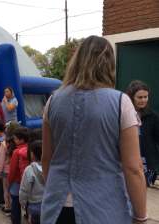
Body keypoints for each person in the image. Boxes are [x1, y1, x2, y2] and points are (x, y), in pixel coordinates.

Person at [42, 36, 147, 224]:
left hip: (56, 209)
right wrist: (140, 216)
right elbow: (133, 168)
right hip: (103, 209)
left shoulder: (53, 101)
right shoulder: (121, 102)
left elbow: (46, 159)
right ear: (109, 64)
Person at [126, 80, 159, 187]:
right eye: (140, 97)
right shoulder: (123, 115)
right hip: (128, 162)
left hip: (147, 165)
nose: (143, 100)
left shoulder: (153, 117)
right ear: (131, 97)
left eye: (146, 97)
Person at [0, 121, 20, 215]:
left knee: (6, 189)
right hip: (18, 171)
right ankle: (17, 207)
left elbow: (1, 159)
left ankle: (8, 207)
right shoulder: (20, 142)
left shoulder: (4, 144)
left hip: (6, 172)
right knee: (16, 190)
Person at [8, 127, 29, 224]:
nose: (14, 141)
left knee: (15, 204)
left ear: (22, 139)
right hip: (29, 182)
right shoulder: (31, 148)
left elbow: (12, 170)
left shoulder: (16, 152)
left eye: (15, 139)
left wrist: (9, 182)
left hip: (17, 182)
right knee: (29, 203)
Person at [20, 140, 44, 224]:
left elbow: (24, 190)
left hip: (34, 206)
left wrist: (23, 204)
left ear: (33, 154)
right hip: (49, 204)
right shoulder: (51, 167)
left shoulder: (29, 169)